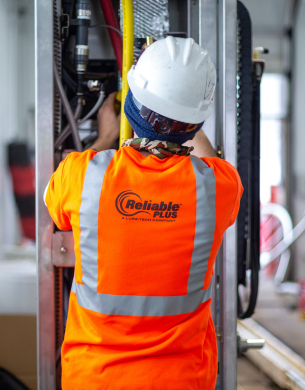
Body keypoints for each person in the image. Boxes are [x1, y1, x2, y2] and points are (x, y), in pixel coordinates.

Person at [45, 37, 243, 390]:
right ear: (196, 122)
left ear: (132, 103)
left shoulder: (80, 175)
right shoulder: (218, 187)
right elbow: (209, 158)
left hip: (95, 378)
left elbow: (55, 209)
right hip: (182, 380)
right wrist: (181, 123)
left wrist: (106, 135)